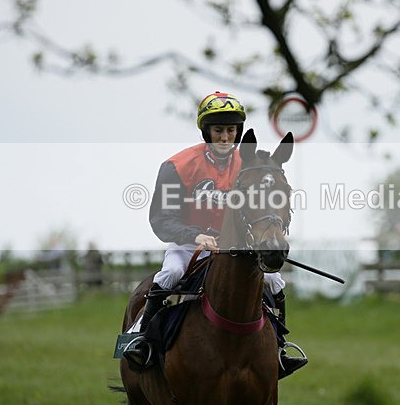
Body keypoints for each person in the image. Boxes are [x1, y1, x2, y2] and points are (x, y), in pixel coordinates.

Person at [123, 91, 307, 377]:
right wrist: (195, 235)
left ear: (238, 132)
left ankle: (280, 348)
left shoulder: (247, 168)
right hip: (188, 246)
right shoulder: (178, 167)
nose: (225, 137)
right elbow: (160, 218)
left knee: (274, 281)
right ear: (206, 131)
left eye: (230, 130)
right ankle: (139, 338)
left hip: (235, 248)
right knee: (170, 273)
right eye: (218, 130)